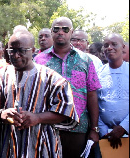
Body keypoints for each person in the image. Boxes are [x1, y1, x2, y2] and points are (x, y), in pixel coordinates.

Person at [0, 31, 79, 158]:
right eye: (12, 50)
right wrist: (2, 115)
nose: (15, 55)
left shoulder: (53, 79)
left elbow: (66, 112)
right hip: (6, 148)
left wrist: (38, 118)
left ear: (32, 50)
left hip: (42, 148)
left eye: (21, 50)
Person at [34, 17, 101, 158]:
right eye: (56, 29)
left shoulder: (85, 60)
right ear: (52, 32)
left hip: (78, 128)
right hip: (46, 126)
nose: (60, 32)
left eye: (65, 29)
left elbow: (92, 94)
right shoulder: (39, 60)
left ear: (71, 32)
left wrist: (94, 129)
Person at [97, 33, 129, 149]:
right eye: (106, 45)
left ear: (123, 47)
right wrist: (104, 131)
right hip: (105, 136)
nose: (109, 47)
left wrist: (124, 127)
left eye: (114, 44)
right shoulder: (98, 73)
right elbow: (95, 105)